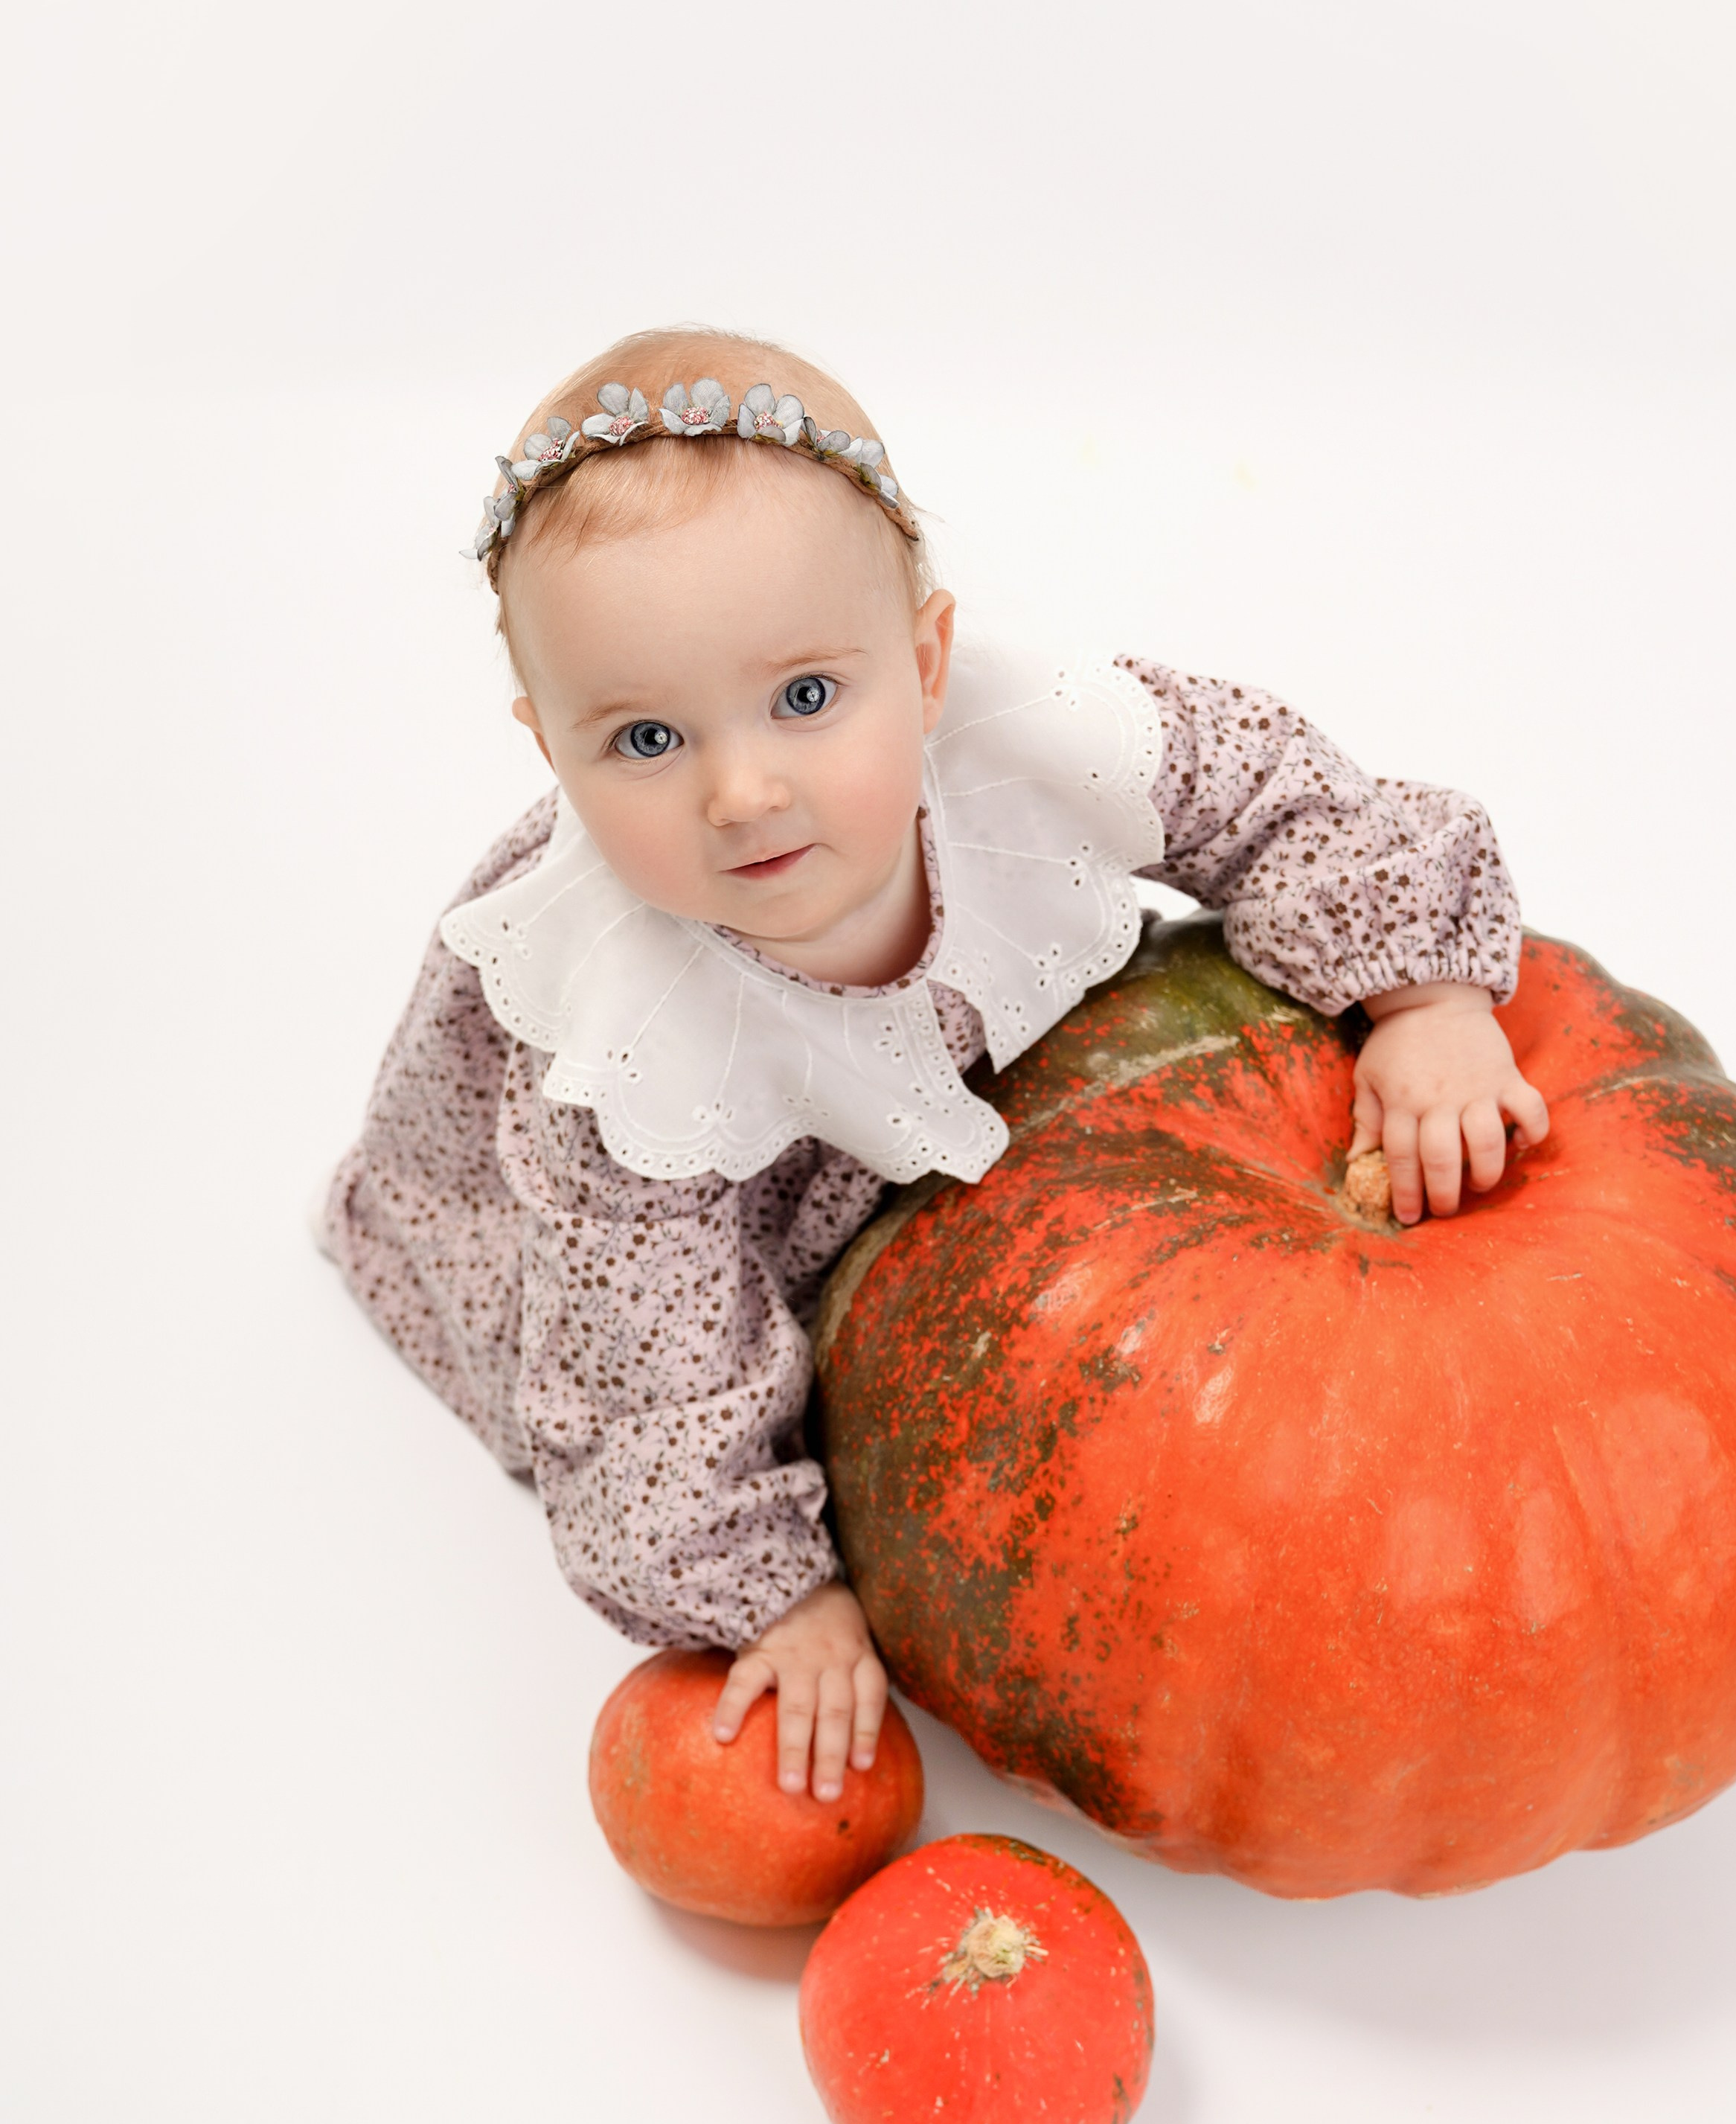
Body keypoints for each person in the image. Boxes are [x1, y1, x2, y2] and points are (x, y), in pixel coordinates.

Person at [322, 327, 1549, 1807]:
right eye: (644, 736)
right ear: (550, 752)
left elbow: (1273, 791)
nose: (741, 788)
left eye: (805, 698)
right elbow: (644, 1357)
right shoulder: (623, 1041)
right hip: (694, 1233)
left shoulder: (1028, 745)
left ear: (922, 658)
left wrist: (1417, 996)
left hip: (1004, 1157)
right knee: (640, 1314)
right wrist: (767, 1590)